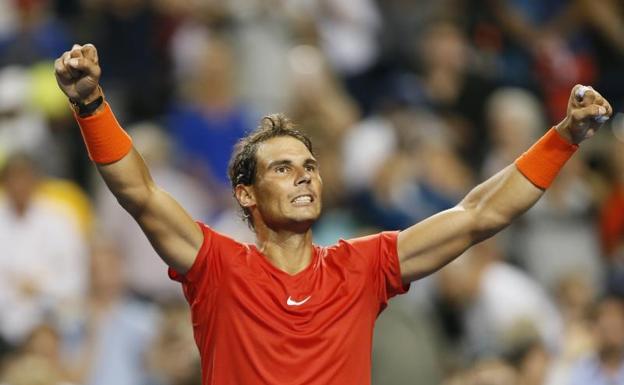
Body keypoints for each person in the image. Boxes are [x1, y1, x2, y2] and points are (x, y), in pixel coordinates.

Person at [53, 43, 613, 385]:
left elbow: (477, 215)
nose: (304, 175)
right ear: (245, 194)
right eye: (282, 168)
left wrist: (563, 137)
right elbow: (142, 194)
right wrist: (89, 104)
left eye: (310, 165)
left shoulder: (363, 265)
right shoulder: (217, 267)